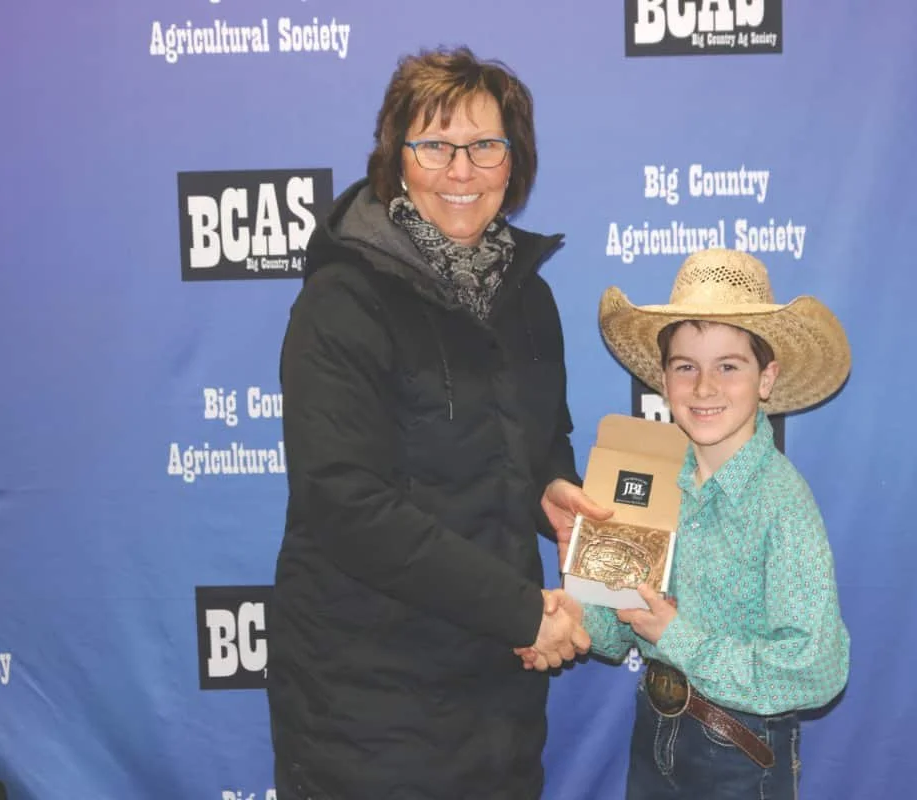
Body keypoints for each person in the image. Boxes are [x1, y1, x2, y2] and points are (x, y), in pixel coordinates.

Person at [266, 46, 608, 799]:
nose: (462, 170)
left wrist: (550, 487)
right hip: (367, 701)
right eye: (435, 146)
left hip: (498, 693)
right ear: (399, 160)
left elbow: (537, 437)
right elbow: (346, 504)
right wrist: (523, 612)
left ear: (514, 162)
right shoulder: (343, 300)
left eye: (486, 146)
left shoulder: (528, 298)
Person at [585, 248, 853, 798]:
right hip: (653, 733)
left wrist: (678, 638)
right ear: (663, 379)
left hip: (741, 750)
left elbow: (816, 668)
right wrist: (572, 602)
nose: (704, 387)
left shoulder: (783, 502)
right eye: (686, 367)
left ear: (766, 378)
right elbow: (614, 630)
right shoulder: (648, 474)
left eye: (728, 366)